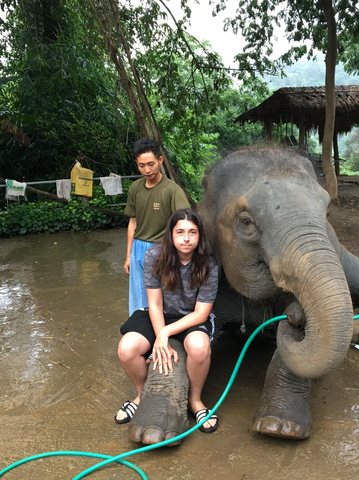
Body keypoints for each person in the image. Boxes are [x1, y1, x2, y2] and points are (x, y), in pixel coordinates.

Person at [115, 208, 219, 434]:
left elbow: (201, 314)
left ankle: (195, 401)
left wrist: (163, 335)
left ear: (200, 235)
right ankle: (142, 395)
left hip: (191, 315)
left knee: (199, 348)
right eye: (180, 232)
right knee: (127, 348)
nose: (186, 238)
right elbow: (155, 304)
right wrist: (159, 334)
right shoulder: (154, 256)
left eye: (192, 232)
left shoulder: (209, 265)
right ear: (170, 235)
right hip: (159, 312)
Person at [124, 138, 190, 316]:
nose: (147, 170)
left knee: (162, 297)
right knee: (138, 297)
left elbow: (185, 223)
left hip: (162, 249)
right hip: (138, 249)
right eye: (141, 165)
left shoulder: (172, 190)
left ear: (160, 160)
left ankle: (162, 334)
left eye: (151, 164)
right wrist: (128, 255)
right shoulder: (135, 188)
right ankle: (139, 332)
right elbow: (133, 222)